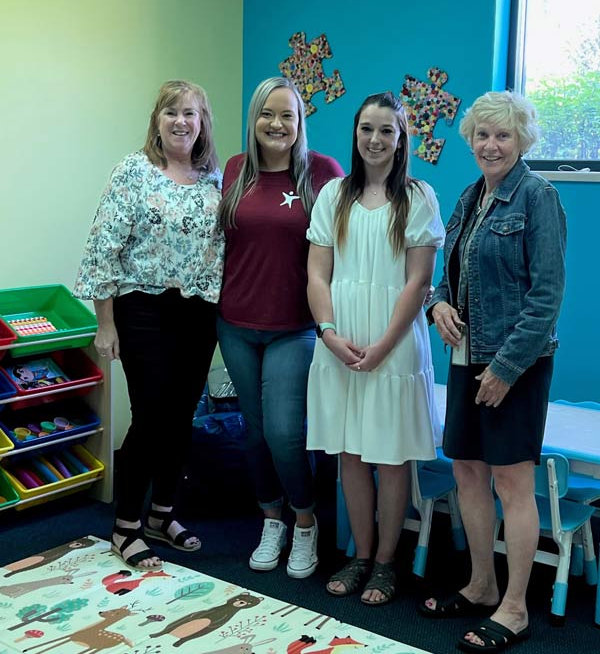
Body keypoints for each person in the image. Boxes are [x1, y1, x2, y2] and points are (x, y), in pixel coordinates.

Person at [419, 91, 567, 652]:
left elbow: (546, 297)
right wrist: (438, 303)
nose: (491, 144)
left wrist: (506, 367)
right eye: (482, 134)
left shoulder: (539, 198)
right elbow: (449, 273)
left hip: (517, 365)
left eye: (503, 135)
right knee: (468, 474)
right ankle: (481, 585)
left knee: (512, 482)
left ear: (522, 140)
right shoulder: (470, 197)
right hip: (466, 361)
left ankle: (515, 607)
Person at [74, 80, 224, 571]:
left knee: (181, 418)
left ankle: (163, 514)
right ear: (157, 120)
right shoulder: (133, 172)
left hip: (197, 314)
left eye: (191, 113)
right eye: (171, 113)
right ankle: (125, 527)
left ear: (203, 123)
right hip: (142, 310)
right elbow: (103, 249)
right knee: (151, 417)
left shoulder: (214, 179)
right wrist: (106, 324)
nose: (181, 121)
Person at [306, 91, 445, 605]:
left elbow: (418, 282)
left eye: (387, 130)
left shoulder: (418, 197)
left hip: (395, 341)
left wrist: (386, 344)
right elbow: (317, 274)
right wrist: (328, 333)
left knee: (389, 458)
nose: (376, 139)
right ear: (355, 133)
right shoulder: (333, 196)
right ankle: (360, 555)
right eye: (367, 128)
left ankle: (387, 563)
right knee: (350, 453)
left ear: (401, 137)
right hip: (340, 340)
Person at [217, 76, 344, 579]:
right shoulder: (234, 170)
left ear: (300, 122)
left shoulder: (323, 173)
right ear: (254, 120)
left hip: (296, 327)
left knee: (285, 433)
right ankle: (272, 519)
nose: (276, 124)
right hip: (235, 323)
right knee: (252, 433)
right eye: (267, 114)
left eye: (287, 115)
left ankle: (306, 521)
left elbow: (345, 250)